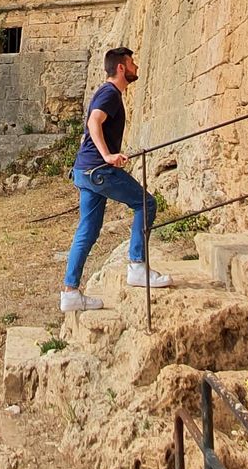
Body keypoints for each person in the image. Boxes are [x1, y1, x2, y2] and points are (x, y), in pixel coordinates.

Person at [60, 46, 172, 313]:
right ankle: (137, 266)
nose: (136, 67)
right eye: (131, 63)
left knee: (87, 231)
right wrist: (108, 155)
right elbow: (94, 123)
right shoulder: (110, 93)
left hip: (85, 171)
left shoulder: (105, 92)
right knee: (146, 203)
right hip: (97, 170)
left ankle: (70, 293)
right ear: (121, 67)